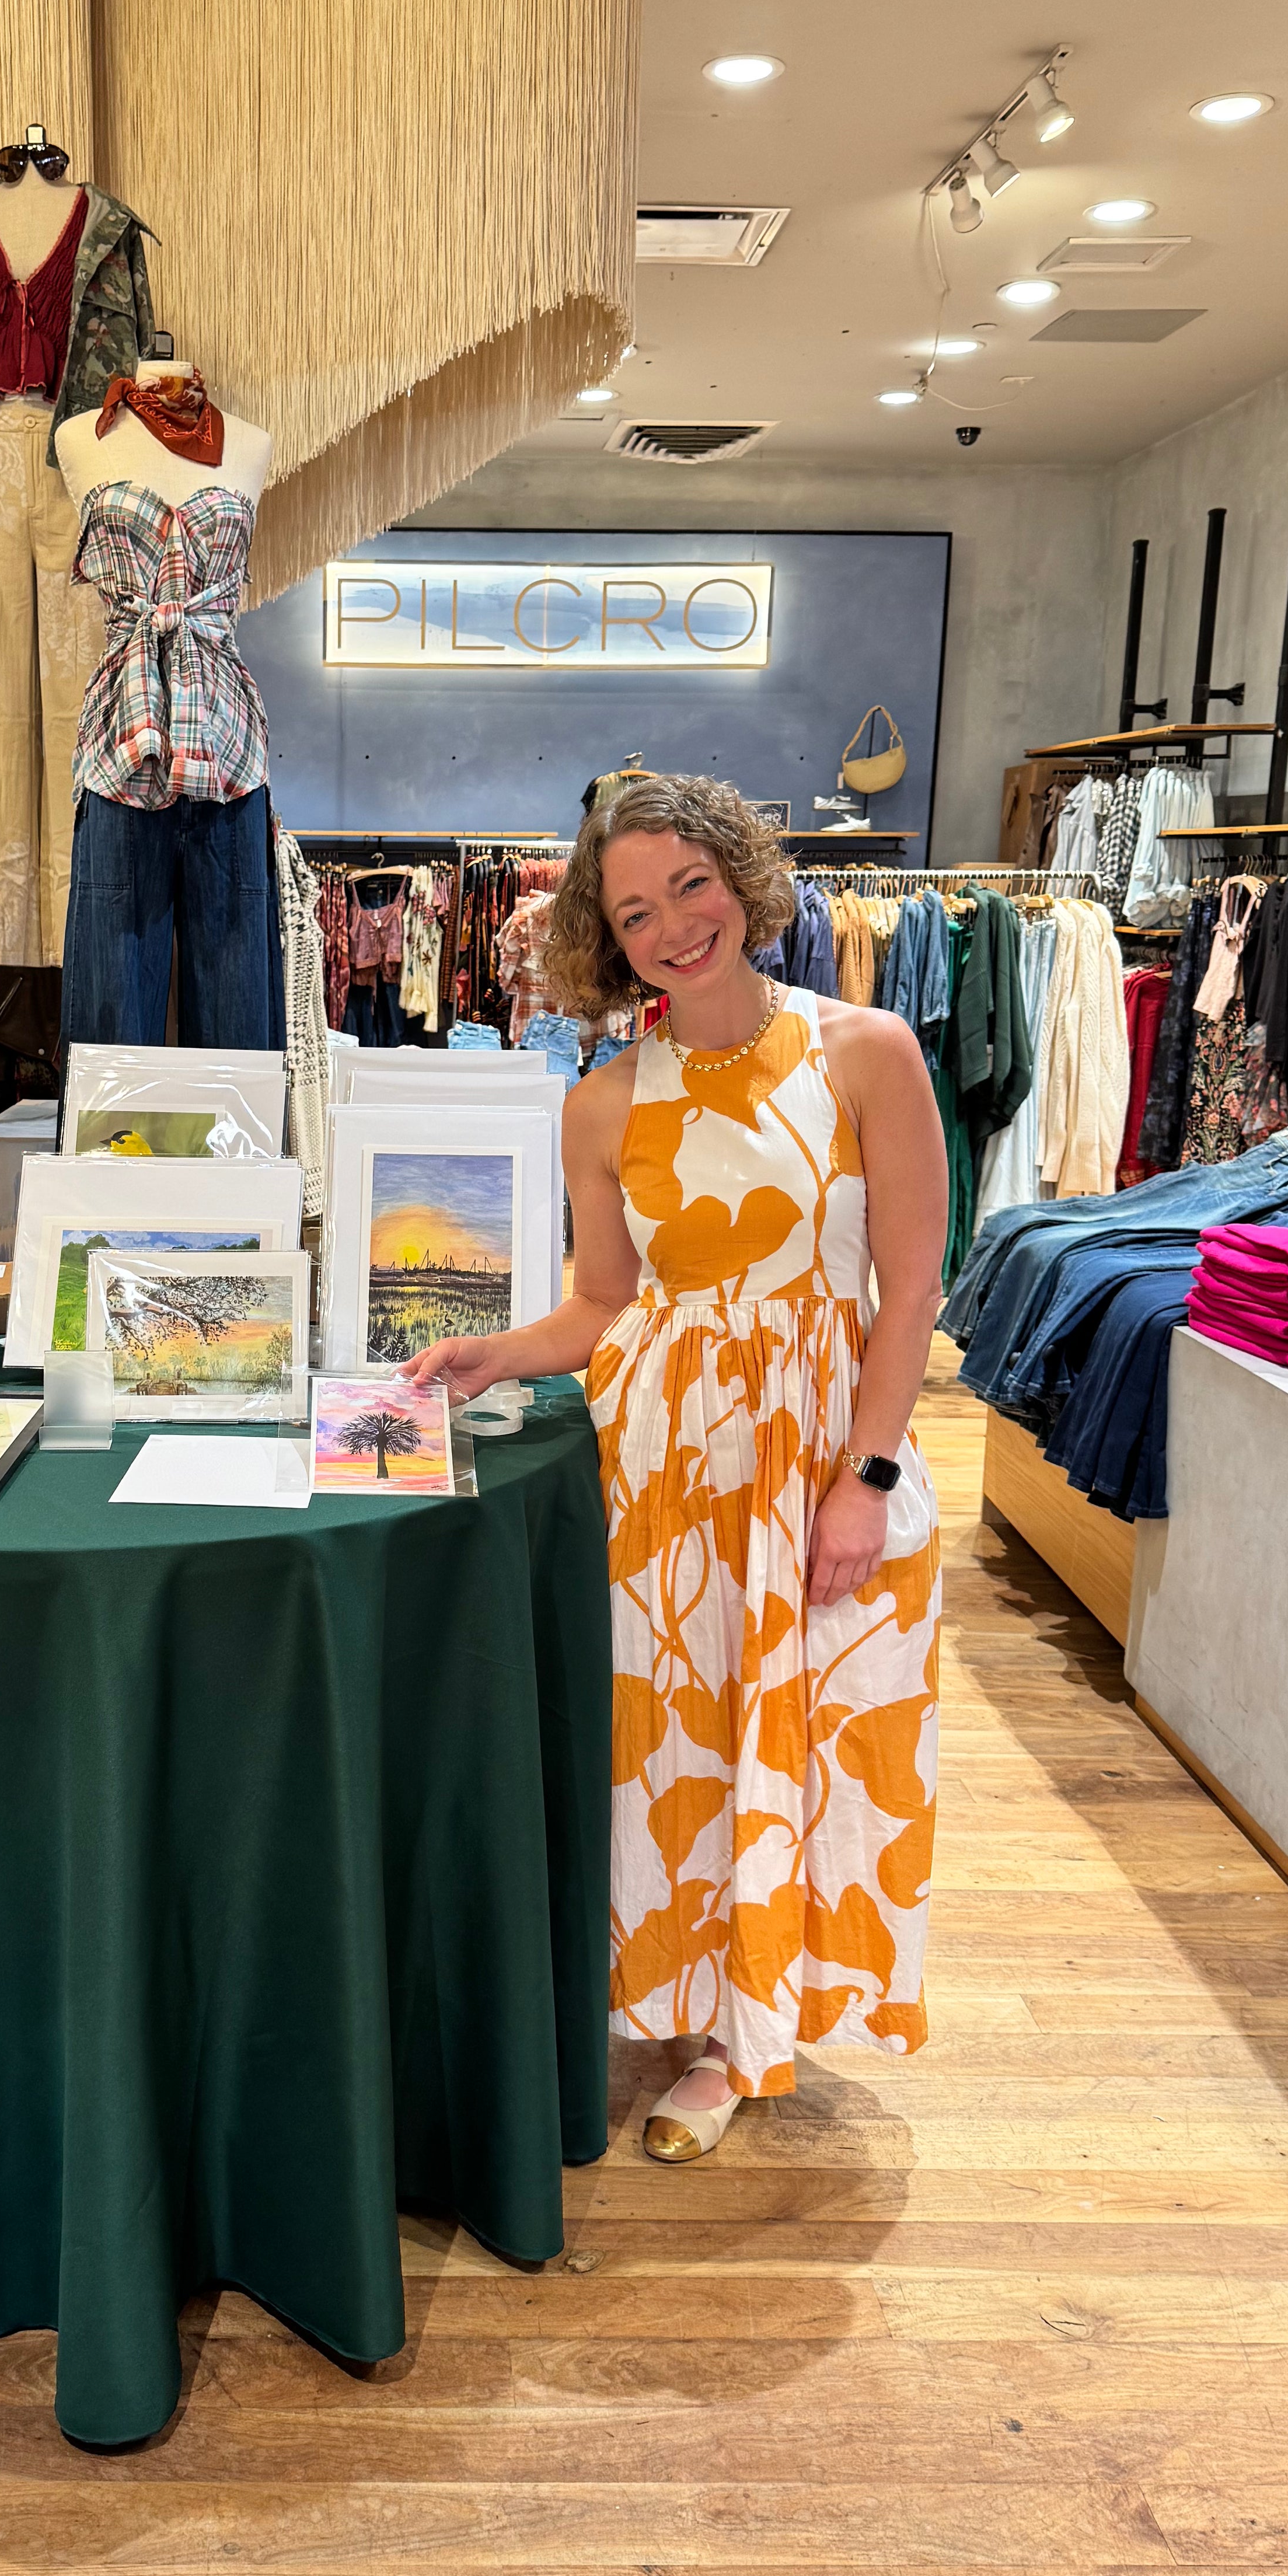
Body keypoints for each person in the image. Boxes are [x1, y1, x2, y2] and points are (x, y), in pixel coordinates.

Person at [406, 773, 946, 2159]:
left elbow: (911, 1286)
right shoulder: (602, 1101)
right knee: (675, 1749)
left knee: (801, 1739)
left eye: (691, 887)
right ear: (607, 935)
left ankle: (737, 2036)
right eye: (634, 910)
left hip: (821, 1460)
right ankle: (678, 1997)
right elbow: (604, 1303)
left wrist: (866, 1480)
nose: (672, 928)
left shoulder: (865, 1050)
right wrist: (492, 1355)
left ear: (744, 876)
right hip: (659, 1477)